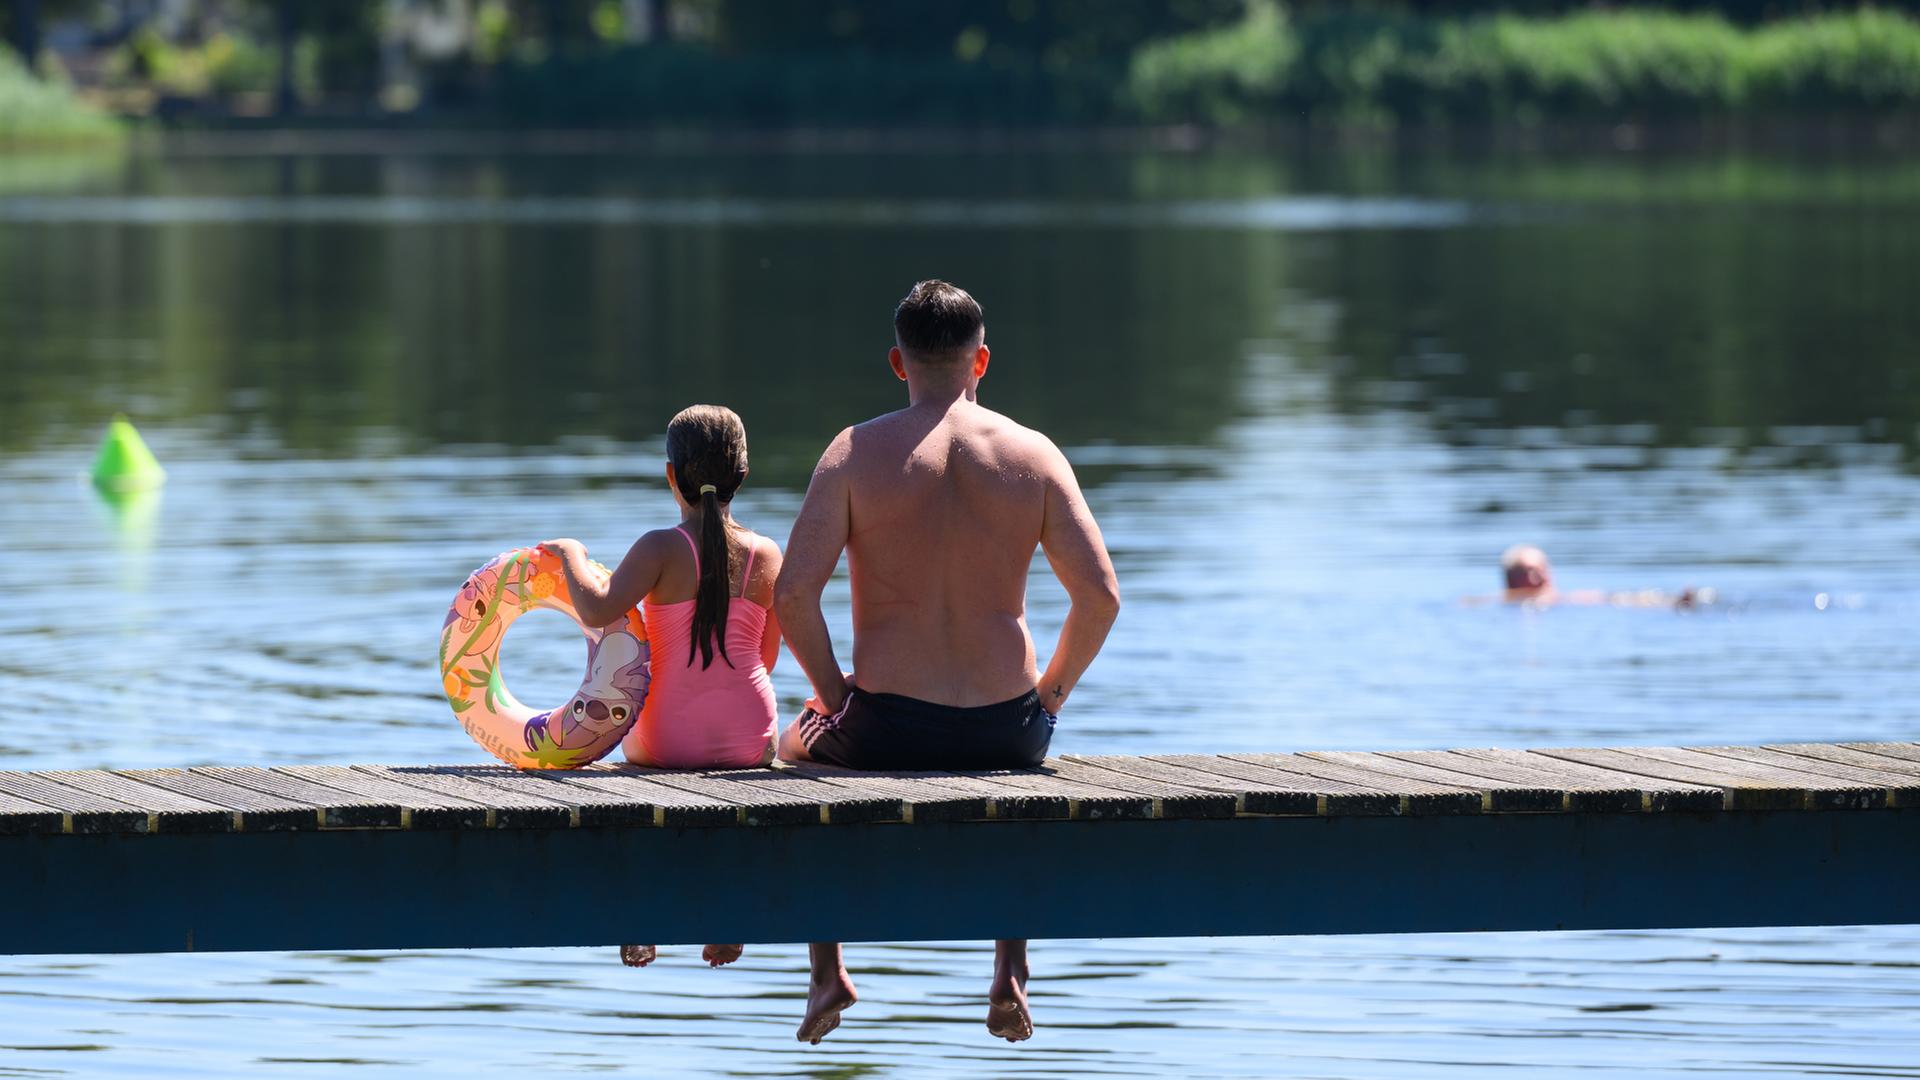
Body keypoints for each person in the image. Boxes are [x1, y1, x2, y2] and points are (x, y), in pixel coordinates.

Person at [773, 280, 1122, 1045]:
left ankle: (828, 969)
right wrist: (1051, 697)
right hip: (1011, 730)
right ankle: (1009, 971)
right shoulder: (1032, 454)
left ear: (898, 361)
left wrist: (834, 699)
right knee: (1014, 786)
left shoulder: (856, 452)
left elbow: (793, 595)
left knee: (789, 750)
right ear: (982, 361)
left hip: (885, 729)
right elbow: (1100, 597)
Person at [541, 403, 784, 972]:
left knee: (643, 781)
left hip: (665, 739)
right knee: (738, 787)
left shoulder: (659, 548)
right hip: (753, 737)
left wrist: (573, 553)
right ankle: (727, 920)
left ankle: (644, 914)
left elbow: (599, 607)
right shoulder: (768, 555)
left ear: (670, 475)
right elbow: (766, 658)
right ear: (743, 477)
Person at [1496, 544, 1705, 609]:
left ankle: (1674, 602)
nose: (1538, 578)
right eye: (1528, 572)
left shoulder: (1563, 598)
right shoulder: (1515, 601)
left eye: (1542, 569)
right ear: (1511, 580)